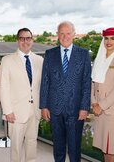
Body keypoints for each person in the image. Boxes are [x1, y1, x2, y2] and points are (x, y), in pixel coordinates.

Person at [40, 21, 91, 162]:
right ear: (57, 35)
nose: (65, 36)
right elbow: (45, 81)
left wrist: (84, 107)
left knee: (75, 149)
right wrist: (43, 106)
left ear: (74, 34)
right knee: (58, 148)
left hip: (76, 110)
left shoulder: (83, 54)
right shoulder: (49, 54)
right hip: (54, 109)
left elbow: (86, 83)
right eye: (61, 33)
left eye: (68, 33)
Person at [0, 28, 43, 162]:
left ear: (32, 40)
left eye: (28, 38)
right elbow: (4, 87)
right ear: (17, 41)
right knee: (16, 147)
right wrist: (8, 111)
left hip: (35, 110)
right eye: (22, 38)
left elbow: (42, 87)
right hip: (16, 112)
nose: (25, 41)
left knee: (32, 144)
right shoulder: (7, 60)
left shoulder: (39, 60)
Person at [91, 27, 114, 162]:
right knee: (104, 147)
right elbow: (93, 84)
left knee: (112, 148)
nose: (109, 41)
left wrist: (101, 106)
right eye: (106, 38)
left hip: (112, 111)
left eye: (113, 38)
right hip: (98, 110)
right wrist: (94, 102)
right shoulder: (99, 59)